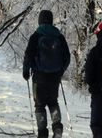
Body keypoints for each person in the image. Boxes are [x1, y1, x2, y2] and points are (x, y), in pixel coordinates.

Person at [23, 9, 71, 138]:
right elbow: (67, 57)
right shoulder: (59, 36)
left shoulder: (36, 35)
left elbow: (28, 55)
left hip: (39, 77)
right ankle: (57, 127)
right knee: (53, 102)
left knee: (39, 105)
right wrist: (60, 70)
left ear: (39, 20)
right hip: (55, 77)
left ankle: (42, 133)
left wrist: (26, 71)